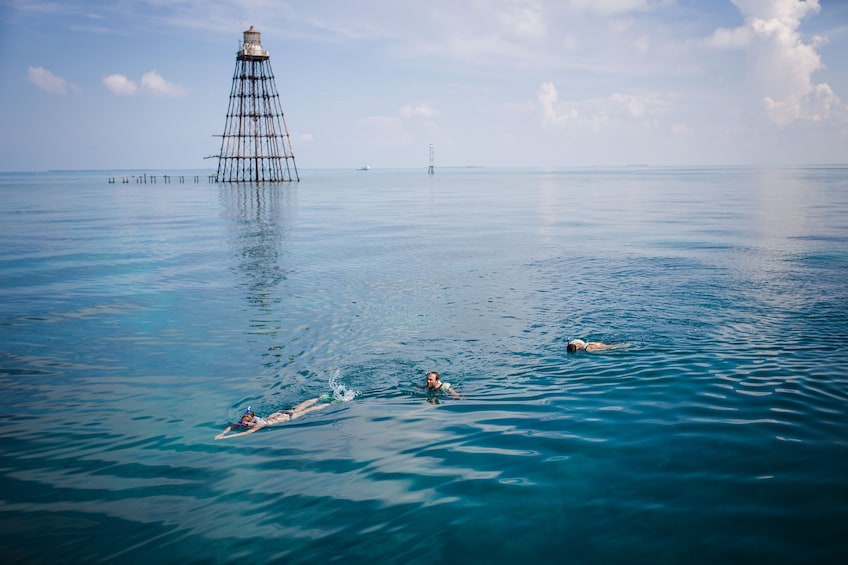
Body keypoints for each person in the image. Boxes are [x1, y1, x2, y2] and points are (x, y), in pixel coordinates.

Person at [215, 397, 331, 440]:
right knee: (301, 406)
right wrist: (222, 433)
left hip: (287, 417)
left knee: (308, 410)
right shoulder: (251, 419)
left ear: (251, 421)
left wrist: (226, 437)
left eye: (245, 424)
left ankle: (330, 403)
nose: (242, 425)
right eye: (242, 423)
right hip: (281, 413)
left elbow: (243, 434)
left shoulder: (258, 425)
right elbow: (231, 426)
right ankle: (320, 397)